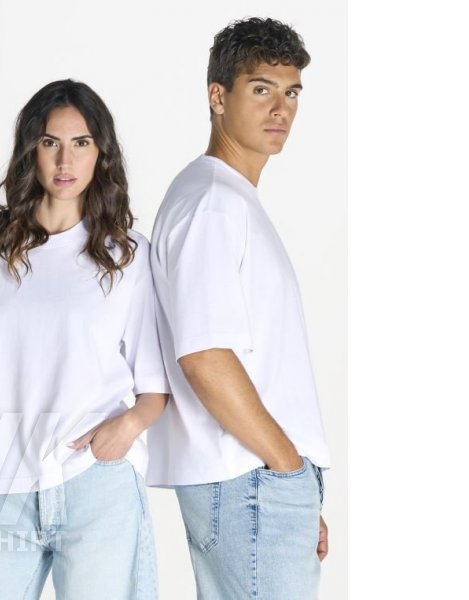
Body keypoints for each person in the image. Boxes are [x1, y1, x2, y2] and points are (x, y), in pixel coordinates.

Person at [0, 79, 169, 599]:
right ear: (31, 150)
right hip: (1, 493)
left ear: (101, 153)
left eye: (81, 143)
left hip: (98, 488)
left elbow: (155, 388)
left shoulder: (127, 257)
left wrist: (128, 426)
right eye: (51, 142)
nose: (65, 161)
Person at [147, 17, 332, 599]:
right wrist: (286, 466)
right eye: (261, 89)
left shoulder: (227, 199)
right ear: (218, 96)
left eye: (291, 92)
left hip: (256, 478)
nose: (281, 109)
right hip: (249, 476)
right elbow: (204, 354)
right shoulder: (212, 204)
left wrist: (297, 487)